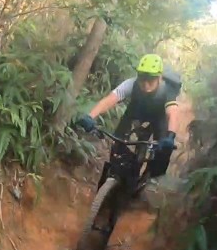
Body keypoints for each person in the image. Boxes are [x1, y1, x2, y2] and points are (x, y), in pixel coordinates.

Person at [75, 53, 182, 182]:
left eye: (151, 80)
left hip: (159, 118)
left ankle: (149, 178)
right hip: (136, 113)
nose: (146, 84)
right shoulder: (131, 84)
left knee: (162, 150)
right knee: (119, 145)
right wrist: (90, 116)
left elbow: (173, 113)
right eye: (142, 78)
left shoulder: (167, 90)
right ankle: (112, 181)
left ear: (159, 78)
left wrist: (170, 137)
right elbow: (110, 100)